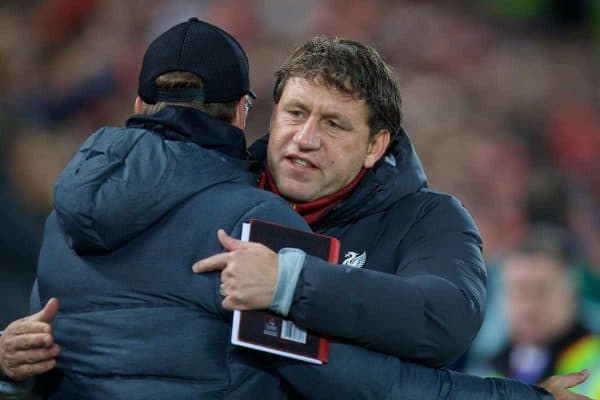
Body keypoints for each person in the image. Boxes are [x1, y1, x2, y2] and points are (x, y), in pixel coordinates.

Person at [0, 24, 591, 400]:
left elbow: (444, 319)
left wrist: (291, 282)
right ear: (257, 112)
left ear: (376, 144)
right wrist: (15, 365)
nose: (305, 138)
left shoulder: (427, 219)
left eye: (333, 124)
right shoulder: (230, 201)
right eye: (295, 113)